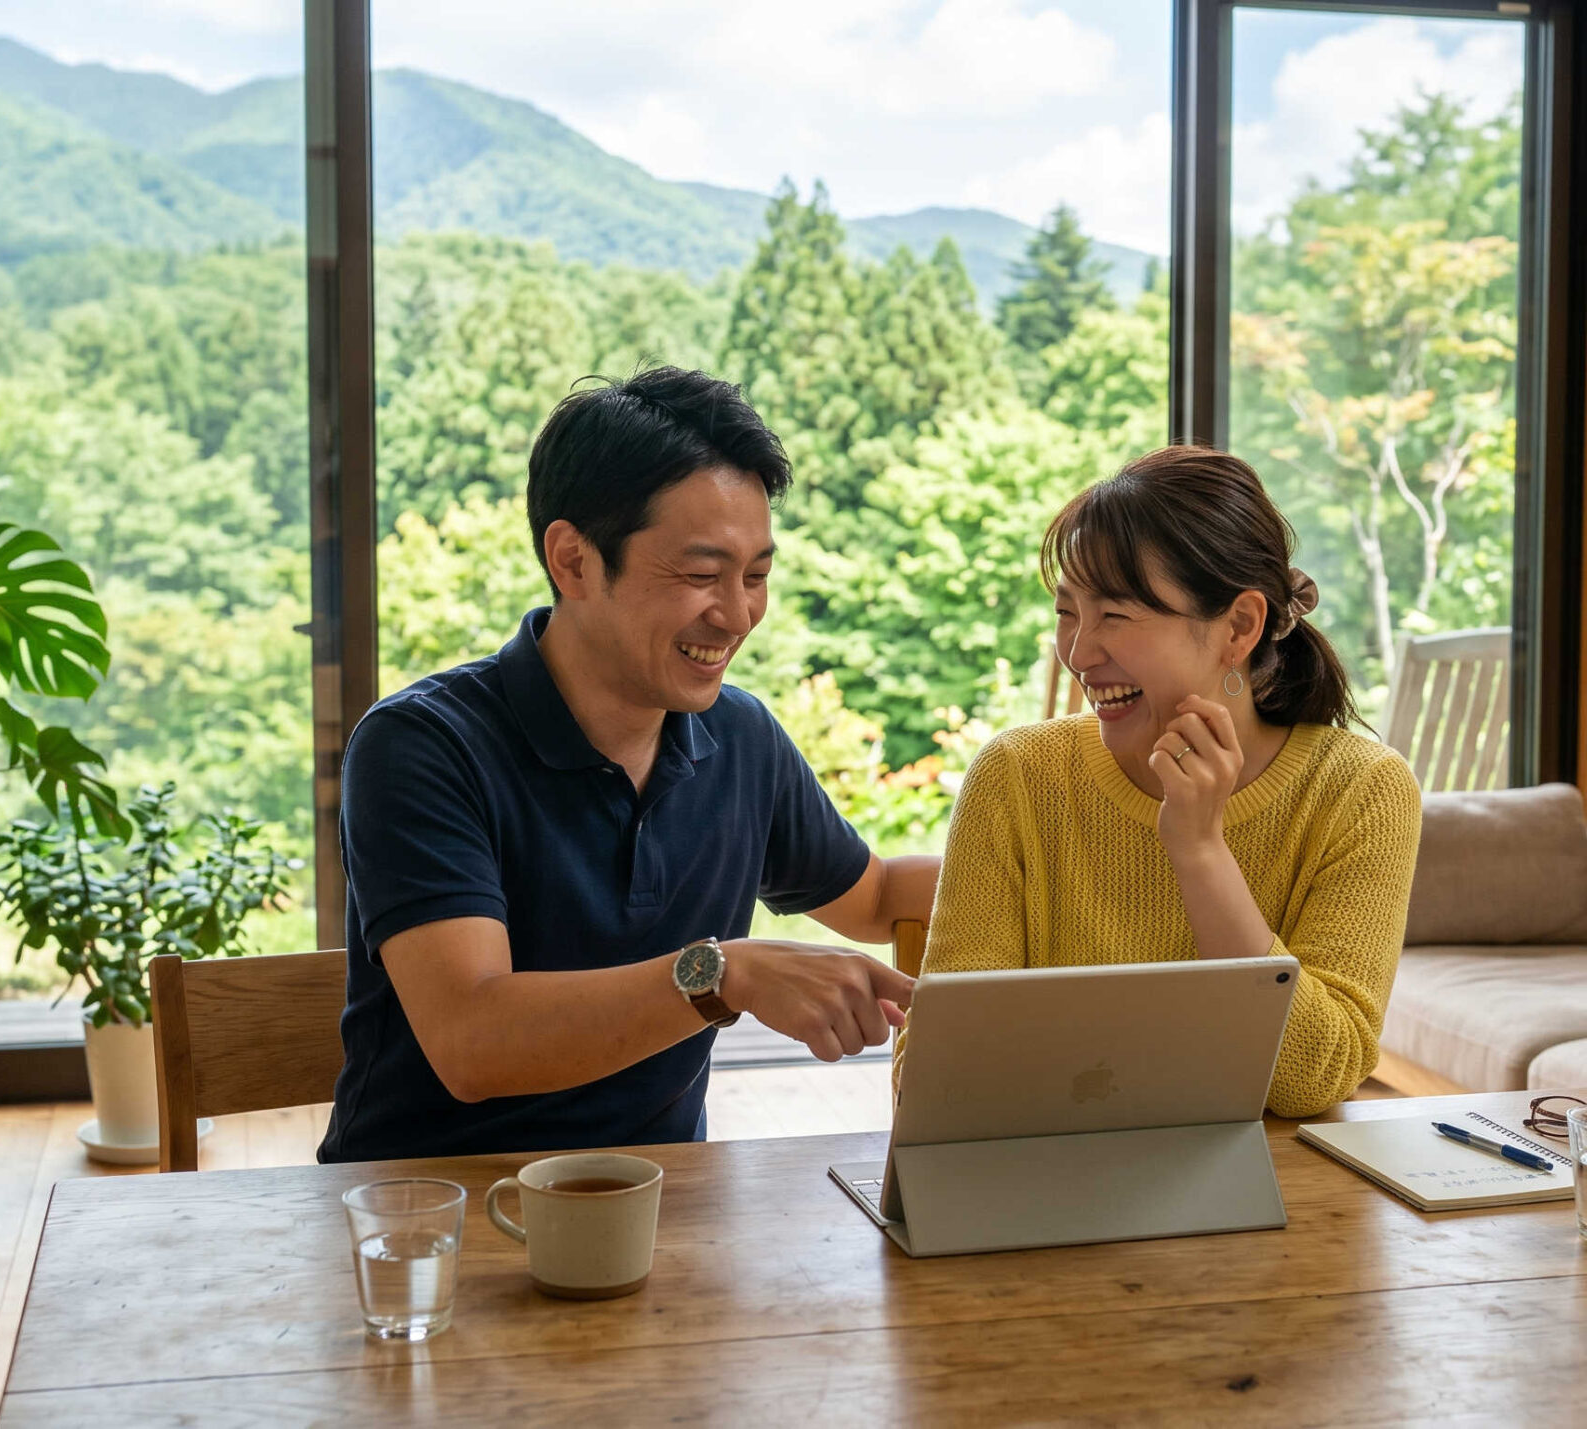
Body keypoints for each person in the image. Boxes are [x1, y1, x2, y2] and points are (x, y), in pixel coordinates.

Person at [319, 368, 935, 1162]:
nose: (739, 614)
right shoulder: (420, 746)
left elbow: (877, 895)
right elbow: (473, 1038)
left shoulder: (740, 738)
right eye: (701, 574)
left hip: (662, 1205)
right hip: (432, 1217)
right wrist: (722, 975)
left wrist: (1081, 858)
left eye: (756, 576)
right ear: (573, 560)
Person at [914, 445, 1421, 1117]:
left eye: (1115, 615)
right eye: (1068, 611)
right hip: (1044, 1183)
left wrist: (1201, 851)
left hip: (1273, 1194)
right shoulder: (1017, 776)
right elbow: (932, 1073)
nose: (1079, 653)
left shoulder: (1360, 790)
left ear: (1238, 627)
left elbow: (1312, 1078)